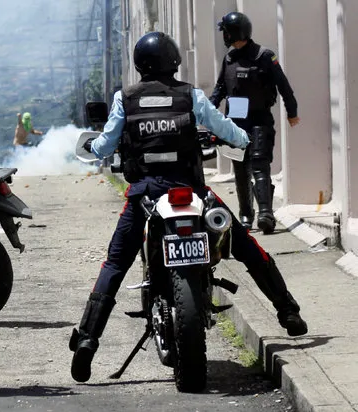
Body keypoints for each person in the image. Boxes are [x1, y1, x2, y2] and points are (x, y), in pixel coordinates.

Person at [69, 31, 308, 384]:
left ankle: (88, 340)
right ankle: (287, 311)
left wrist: (95, 149)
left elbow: (104, 145)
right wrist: (240, 139)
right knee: (246, 247)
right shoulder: (190, 94)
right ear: (174, 61)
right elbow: (224, 128)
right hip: (190, 192)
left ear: (139, 64)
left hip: (146, 195)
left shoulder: (126, 98)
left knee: (115, 263)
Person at [210, 12, 299, 234]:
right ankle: (246, 215)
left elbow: (283, 86)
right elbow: (220, 87)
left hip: (259, 119)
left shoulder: (264, 56)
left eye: (226, 31)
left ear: (235, 32)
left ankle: (266, 214)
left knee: (260, 166)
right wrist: (208, 109)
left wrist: (292, 111)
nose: (225, 36)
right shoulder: (229, 58)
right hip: (236, 124)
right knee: (240, 169)